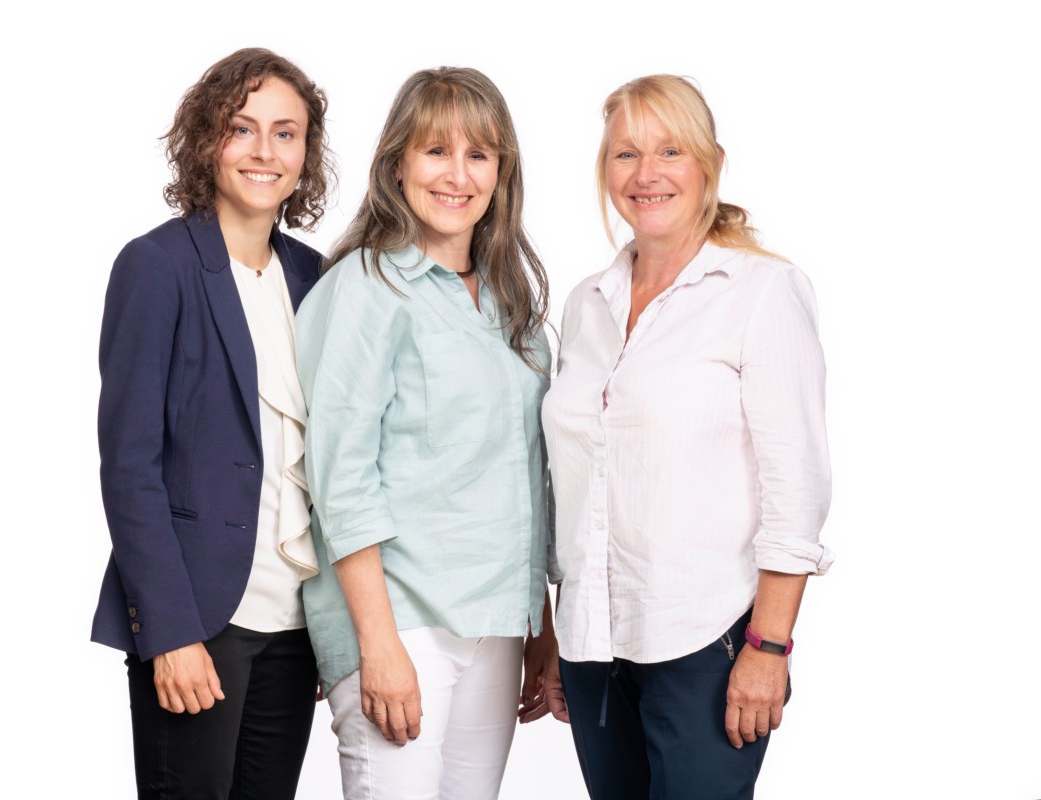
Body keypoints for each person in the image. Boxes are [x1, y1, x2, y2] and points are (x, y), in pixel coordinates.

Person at [541, 75, 835, 800]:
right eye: (626, 154)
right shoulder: (586, 303)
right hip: (592, 647)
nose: (647, 174)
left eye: (670, 150)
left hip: (708, 642)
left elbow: (795, 487)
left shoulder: (761, 291)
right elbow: (572, 481)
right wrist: (562, 630)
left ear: (711, 163)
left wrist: (769, 646)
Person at [295, 66, 556, 800]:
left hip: (498, 621)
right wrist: (376, 644)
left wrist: (540, 629)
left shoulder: (514, 308)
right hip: (400, 619)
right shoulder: (365, 288)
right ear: (397, 165)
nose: (457, 174)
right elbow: (340, 478)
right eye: (436, 150)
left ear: (501, 172)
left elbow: (528, 476)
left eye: (479, 154)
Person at [90, 48, 333, 799]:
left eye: (285, 133)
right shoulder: (156, 266)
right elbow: (129, 467)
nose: (265, 151)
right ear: (206, 139)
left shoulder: (314, 276)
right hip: (198, 618)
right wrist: (169, 631)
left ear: (305, 154)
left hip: (295, 625)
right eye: (242, 128)